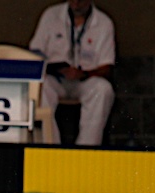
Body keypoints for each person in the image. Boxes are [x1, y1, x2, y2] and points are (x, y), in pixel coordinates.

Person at [29, 0, 116, 146]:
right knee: (40, 88)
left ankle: (87, 147)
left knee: (103, 89)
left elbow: (107, 66)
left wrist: (83, 74)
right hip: (56, 79)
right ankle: (49, 144)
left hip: (85, 79)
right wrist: (55, 68)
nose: (76, 3)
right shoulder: (51, 15)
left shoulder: (104, 23)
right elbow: (35, 53)